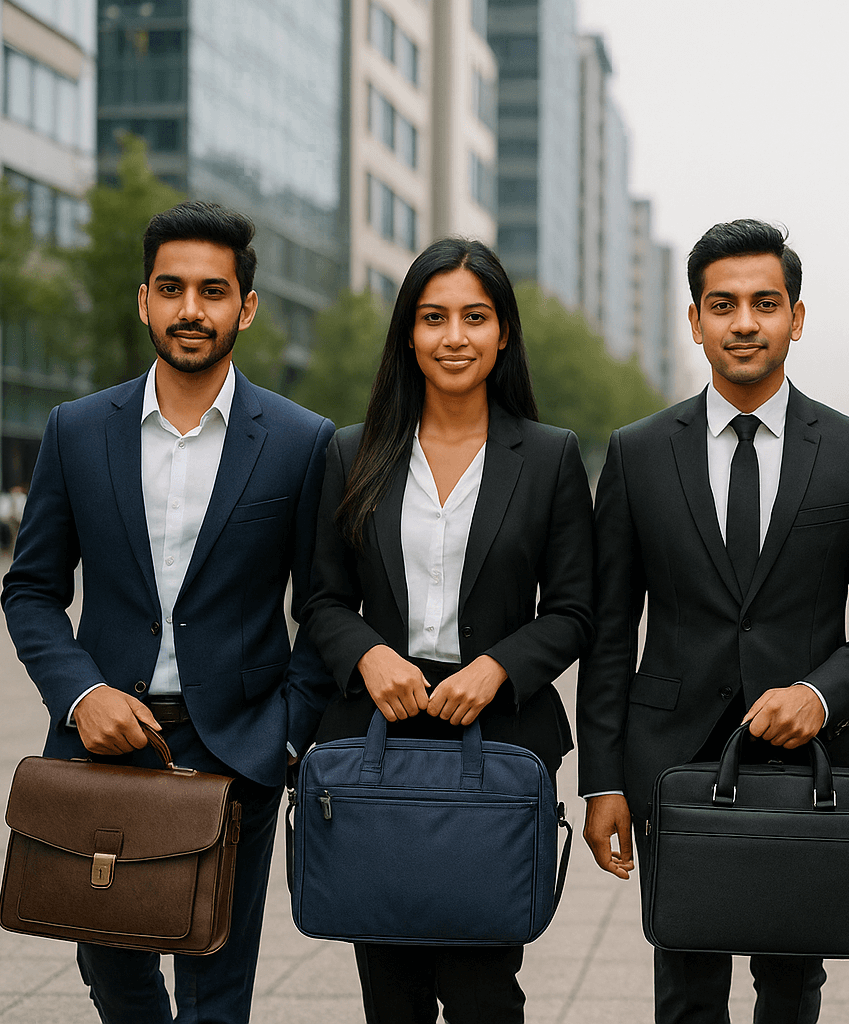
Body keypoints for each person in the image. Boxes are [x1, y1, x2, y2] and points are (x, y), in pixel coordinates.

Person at [1, 200, 336, 1023]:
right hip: (101, 749)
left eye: (213, 291)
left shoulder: (302, 440)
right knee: (110, 969)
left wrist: (286, 735)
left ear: (245, 308)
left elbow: (326, 604)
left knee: (215, 997)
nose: (192, 310)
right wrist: (81, 696)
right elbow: (31, 589)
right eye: (172, 288)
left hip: (236, 750)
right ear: (143, 299)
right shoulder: (76, 430)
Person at [577, 218, 849, 1024]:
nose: (744, 322)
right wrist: (601, 780)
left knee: (794, 986)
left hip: (809, 761)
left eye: (765, 303)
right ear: (694, 321)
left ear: (796, 318)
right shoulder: (637, 452)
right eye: (722, 305)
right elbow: (610, 630)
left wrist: (821, 695)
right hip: (669, 758)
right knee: (685, 983)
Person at [302, 237, 592, 1023]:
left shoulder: (551, 457)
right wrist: (368, 656)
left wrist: (497, 667)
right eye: (433, 318)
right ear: (408, 333)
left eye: (475, 316)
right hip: (377, 738)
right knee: (389, 991)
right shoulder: (351, 452)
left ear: (503, 334)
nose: (454, 336)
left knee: (482, 988)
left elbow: (573, 609)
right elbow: (321, 600)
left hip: (498, 740)